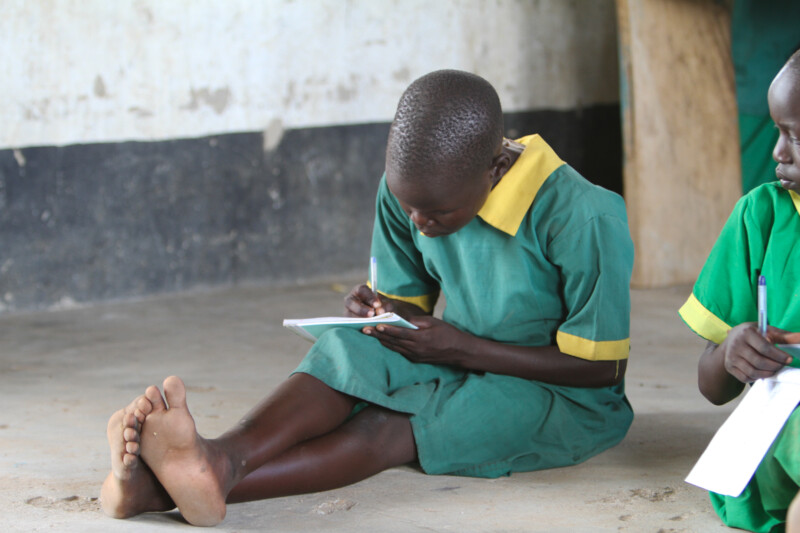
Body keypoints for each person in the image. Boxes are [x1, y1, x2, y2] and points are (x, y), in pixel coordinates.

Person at [100, 69, 635, 526]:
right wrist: (383, 314)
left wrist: (461, 348)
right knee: (348, 347)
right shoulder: (414, 191)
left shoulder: (584, 216)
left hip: (564, 396)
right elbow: (409, 306)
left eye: (438, 214)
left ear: (494, 171)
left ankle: (159, 490)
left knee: (391, 422)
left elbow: (602, 369)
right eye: (408, 207)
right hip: (460, 356)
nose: (419, 224)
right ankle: (219, 457)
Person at [678, 50, 800, 533]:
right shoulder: (761, 217)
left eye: (795, 135)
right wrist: (732, 351)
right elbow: (713, 388)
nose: (778, 152)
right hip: (783, 427)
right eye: (777, 131)